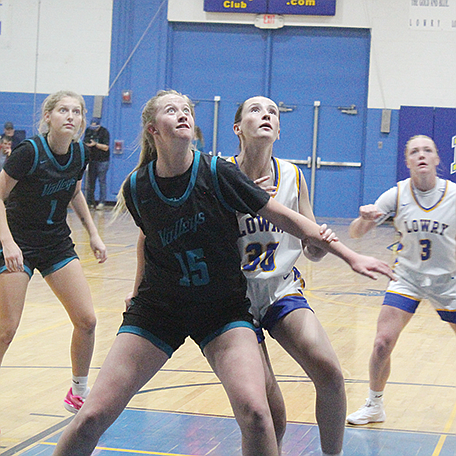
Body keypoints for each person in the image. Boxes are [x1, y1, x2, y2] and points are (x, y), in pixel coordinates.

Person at [51, 89, 394, 456]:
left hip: (228, 305)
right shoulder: (138, 186)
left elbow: (295, 222)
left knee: (263, 411)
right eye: (172, 110)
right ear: (153, 128)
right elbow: (148, 239)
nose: (183, 114)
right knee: (91, 418)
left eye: (187, 109)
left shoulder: (222, 173)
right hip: (163, 307)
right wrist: (136, 288)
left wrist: (348, 255)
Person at [229, 96, 346, 456]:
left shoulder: (294, 176)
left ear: (278, 130)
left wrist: (320, 244)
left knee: (330, 373)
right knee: (271, 417)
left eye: (273, 112)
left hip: (280, 290)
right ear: (237, 128)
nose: (265, 115)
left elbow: (310, 246)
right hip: (233, 301)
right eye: (255, 110)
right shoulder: (219, 172)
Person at [0, 90, 108, 415]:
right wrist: (7, 243)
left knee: (87, 320)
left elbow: (75, 192)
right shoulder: (28, 152)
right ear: (48, 116)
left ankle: (78, 392)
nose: (70, 116)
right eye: (63, 110)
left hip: (55, 242)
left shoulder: (78, 154)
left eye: (76, 111)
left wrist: (93, 234)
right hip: (17, 242)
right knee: (7, 328)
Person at [346, 134, 456, 425]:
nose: (421, 155)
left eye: (427, 150)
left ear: (437, 159)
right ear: (407, 161)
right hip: (407, 277)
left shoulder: (454, 195)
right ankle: (374, 404)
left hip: (450, 281)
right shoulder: (396, 194)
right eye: (414, 151)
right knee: (382, 342)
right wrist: (365, 218)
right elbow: (356, 233)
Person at [84, 117, 110, 210]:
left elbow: (106, 147)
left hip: (103, 161)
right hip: (92, 160)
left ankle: (102, 202)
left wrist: (95, 144)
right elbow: (85, 142)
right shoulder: (88, 131)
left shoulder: (104, 132)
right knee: (91, 182)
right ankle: (90, 202)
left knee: (102, 181)